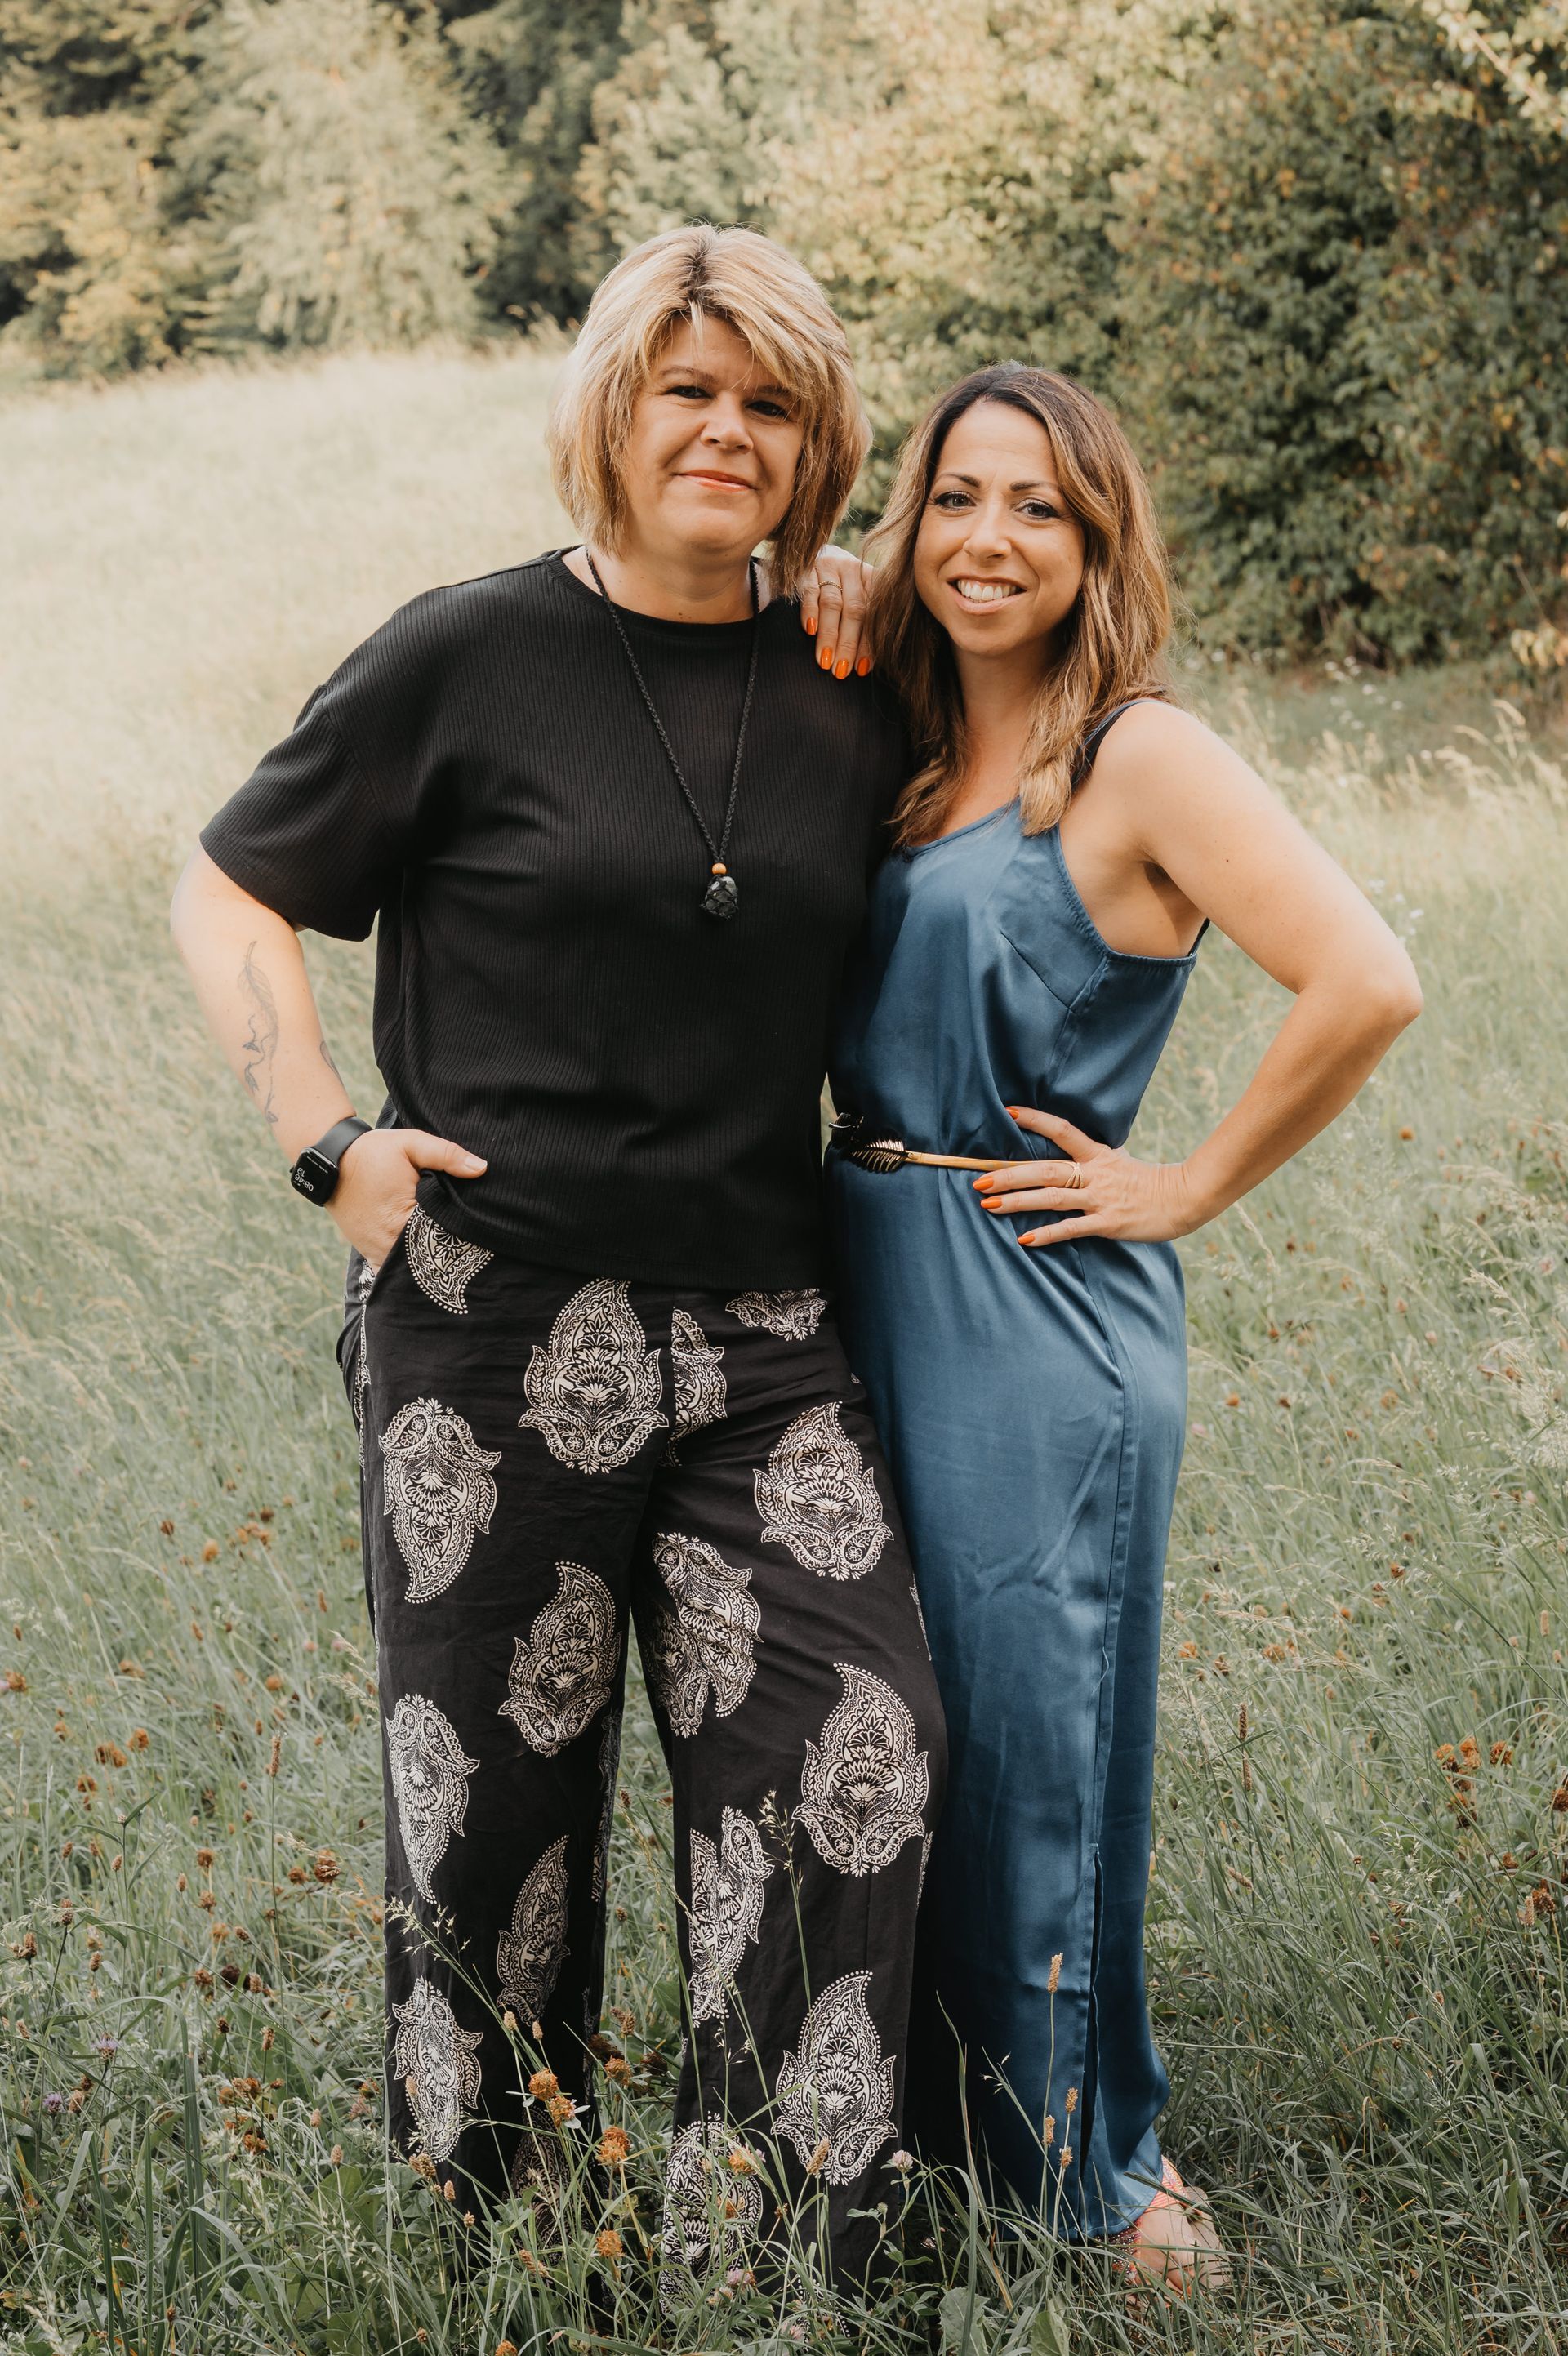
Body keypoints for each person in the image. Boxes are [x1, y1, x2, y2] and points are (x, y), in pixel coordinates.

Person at [169, 223, 945, 2300]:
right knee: (490, 1822)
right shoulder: (466, 653)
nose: (726, 429)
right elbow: (231, 888)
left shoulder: (863, 672)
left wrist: (874, 577)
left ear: (819, 441)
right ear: (609, 407)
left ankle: (758, 2257)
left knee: (850, 1753)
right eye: (686, 388)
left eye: (771, 401)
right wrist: (323, 1135)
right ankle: (500, 2258)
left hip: (772, 1337)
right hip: (491, 1325)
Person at [825, 363, 1421, 2288]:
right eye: (957, 501)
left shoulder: (1136, 756)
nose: (991, 541)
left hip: (1031, 1309)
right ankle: (921, 2139)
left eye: (1040, 511)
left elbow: (1367, 977)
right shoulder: (902, 743)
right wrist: (824, 578)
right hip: (862, 1279)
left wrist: (1186, 1186)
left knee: (1032, 1751)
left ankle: (1095, 2176)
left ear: (1098, 549)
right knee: (887, 1735)